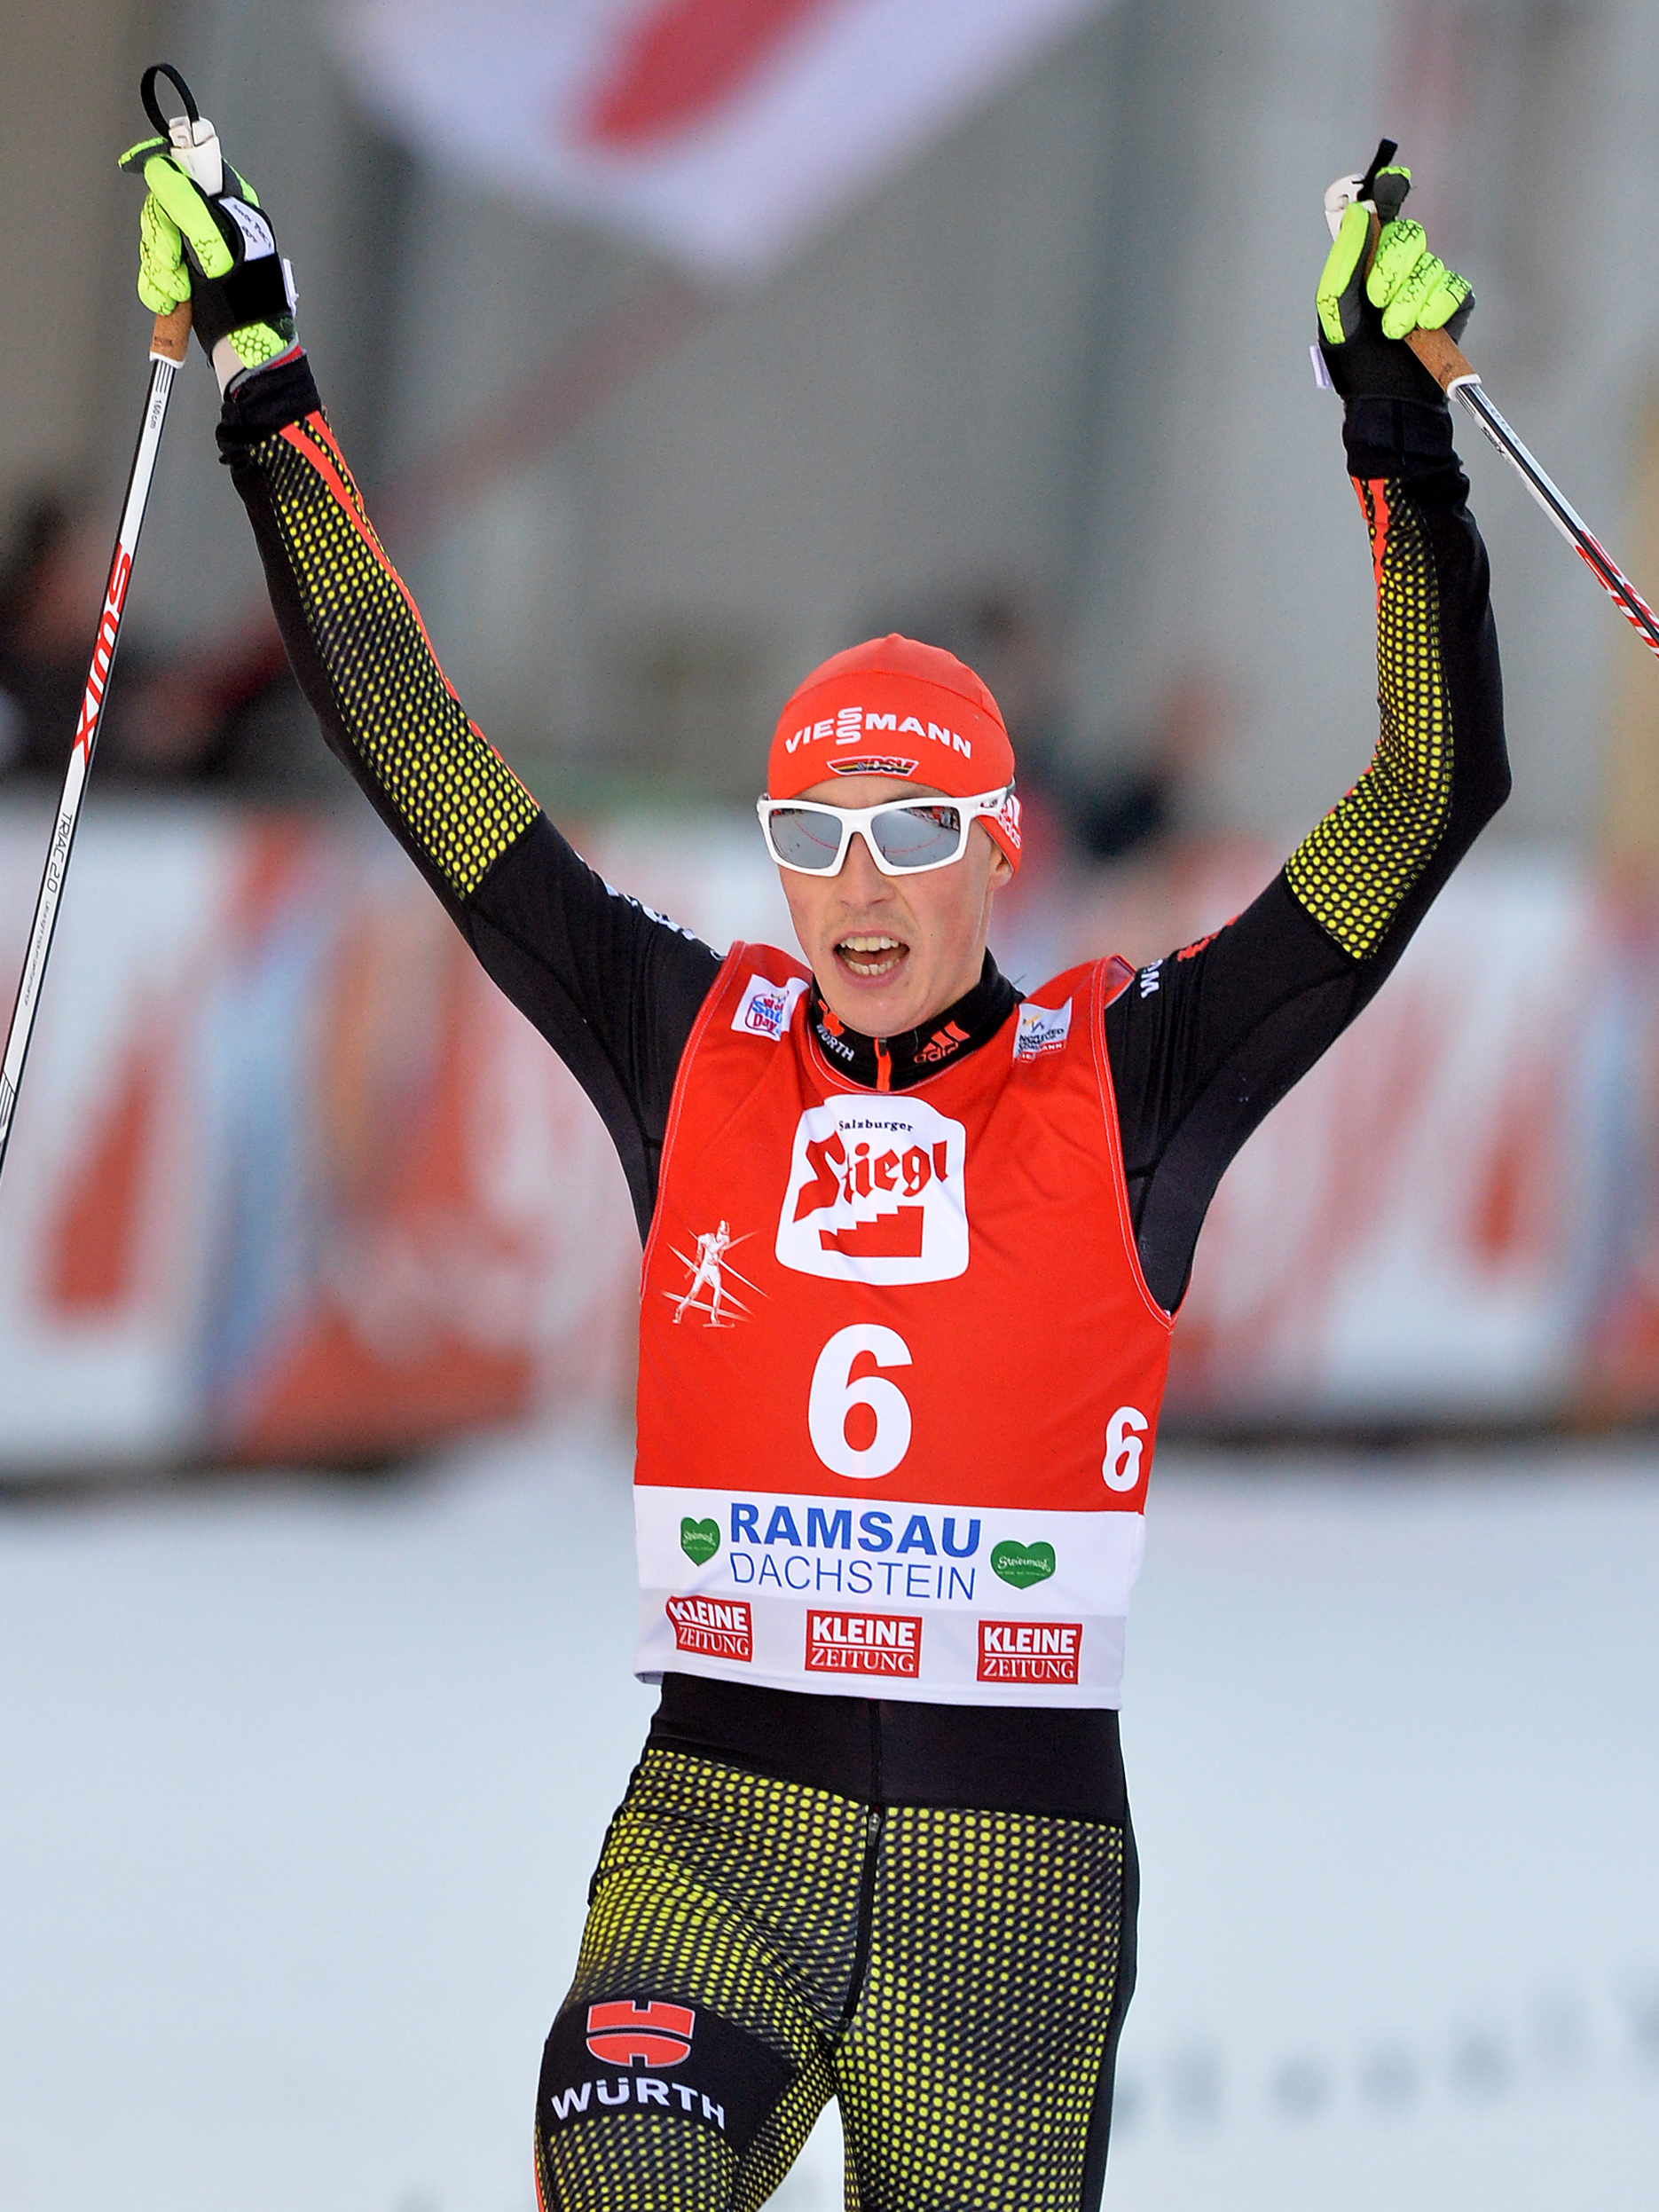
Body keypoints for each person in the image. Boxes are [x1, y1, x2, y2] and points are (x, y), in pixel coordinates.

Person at [123, 127, 1505, 2210]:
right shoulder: (691, 1048)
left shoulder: (1125, 1071)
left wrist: (1391, 432)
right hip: (717, 1838)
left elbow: (1423, 788)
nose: (856, 891)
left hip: (1005, 1894)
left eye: (911, 832)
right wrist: (262, 387)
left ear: (997, 850)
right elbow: (419, 744)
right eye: (812, 834)